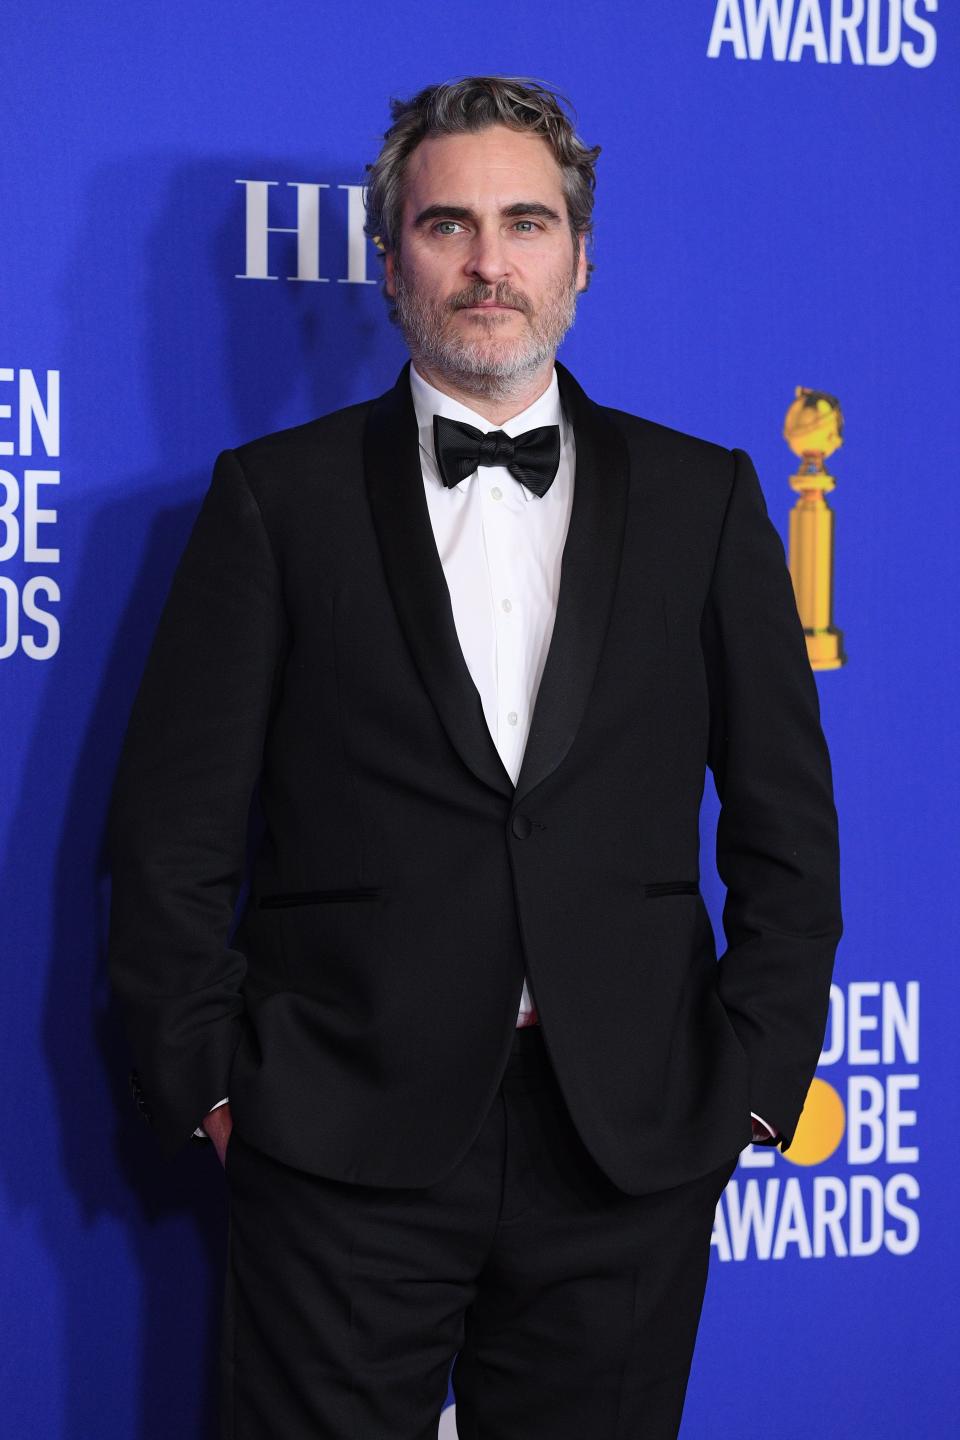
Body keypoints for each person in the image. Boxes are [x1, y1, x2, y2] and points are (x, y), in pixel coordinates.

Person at [108, 75, 842, 1439]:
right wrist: (216, 1086)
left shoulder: (706, 499)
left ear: (581, 257)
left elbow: (789, 831)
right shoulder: (276, 501)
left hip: (626, 1146)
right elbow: (170, 838)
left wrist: (747, 1091)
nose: (489, 263)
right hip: (339, 1137)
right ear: (390, 260)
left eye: (526, 222)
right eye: (448, 225)